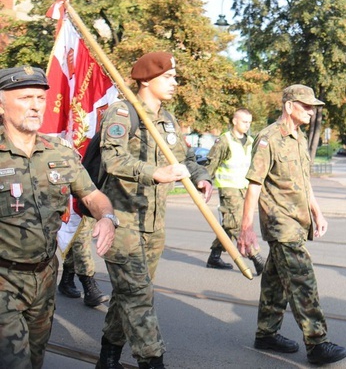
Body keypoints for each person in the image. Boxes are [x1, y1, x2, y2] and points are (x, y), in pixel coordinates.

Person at [96, 52, 213, 369]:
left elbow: (185, 160)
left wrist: (201, 177)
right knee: (138, 296)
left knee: (128, 294)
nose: (175, 82)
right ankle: (153, 361)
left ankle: (108, 356)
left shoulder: (168, 119)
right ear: (147, 79)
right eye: (169, 77)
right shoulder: (122, 113)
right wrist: (154, 173)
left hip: (153, 223)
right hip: (121, 220)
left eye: (174, 77)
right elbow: (113, 160)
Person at [0, 66, 116, 369]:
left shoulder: (60, 153)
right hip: (3, 280)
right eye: (26, 97)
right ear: (1, 104)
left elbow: (92, 196)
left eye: (40, 97)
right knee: (16, 362)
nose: (36, 105)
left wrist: (107, 218)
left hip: (45, 277)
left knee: (36, 358)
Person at [237, 84, 346, 366]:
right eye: (306, 106)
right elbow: (253, 185)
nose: (312, 111)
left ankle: (266, 333)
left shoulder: (299, 138)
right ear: (289, 106)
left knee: (275, 280)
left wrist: (318, 213)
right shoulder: (269, 138)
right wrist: (246, 228)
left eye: (313, 107)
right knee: (302, 281)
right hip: (280, 223)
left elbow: (304, 183)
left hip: (298, 221)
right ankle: (317, 343)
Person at [205, 108, 266, 273]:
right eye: (244, 122)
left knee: (228, 224)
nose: (247, 125)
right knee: (238, 225)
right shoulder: (224, 141)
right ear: (234, 121)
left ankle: (214, 257)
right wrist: (205, 183)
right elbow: (211, 164)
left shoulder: (251, 141)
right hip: (229, 189)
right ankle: (258, 260)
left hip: (245, 189)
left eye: (249, 122)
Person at [57, 214, 111, 307]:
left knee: (73, 242)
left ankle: (66, 280)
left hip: (86, 208)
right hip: (74, 209)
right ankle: (90, 290)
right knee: (81, 243)